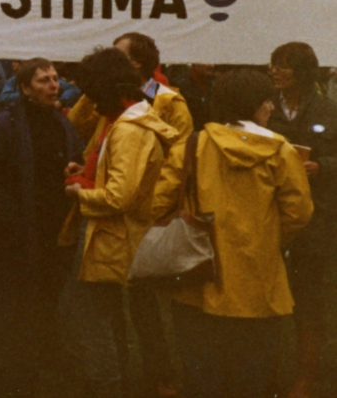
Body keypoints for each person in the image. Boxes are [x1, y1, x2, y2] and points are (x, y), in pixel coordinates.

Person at [153, 69, 313, 398]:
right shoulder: (281, 150)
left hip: (198, 276)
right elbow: (299, 211)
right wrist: (268, 240)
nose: (272, 107)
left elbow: (159, 202)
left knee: (203, 373)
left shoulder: (192, 145)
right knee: (252, 374)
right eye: (266, 100)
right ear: (251, 104)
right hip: (258, 277)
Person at [69, 31, 193, 397]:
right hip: (114, 209)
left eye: (117, 54)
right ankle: (119, 371)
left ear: (135, 63)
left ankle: (159, 373)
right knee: (108, 302)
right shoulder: (111, 98)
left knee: (143, 303)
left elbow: (177, 162)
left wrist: (152, 206)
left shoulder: (167, 100)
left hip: (141, 214)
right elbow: (81, 126)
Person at [0, 58, 85, 397]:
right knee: (6, 309)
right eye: (43, 80)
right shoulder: (4, 125)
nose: (54, 85)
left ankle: (30, 368)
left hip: (51, 236)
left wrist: (75, 172)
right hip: (12, 237)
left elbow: (75, 162)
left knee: (40, 305)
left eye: (55, 78)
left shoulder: (63, 124)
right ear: (24, 88)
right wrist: (12, 221)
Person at [266, 42, 337, 398]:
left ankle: (305, 377)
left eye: (284, 65)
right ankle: (267, 372)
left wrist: (321, 166)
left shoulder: (327, 108)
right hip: (268, 213)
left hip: (314, 218)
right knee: (267, 298)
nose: (276, 71)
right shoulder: (264, 105)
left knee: (308, 299)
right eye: (274, 64)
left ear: (304, 71)